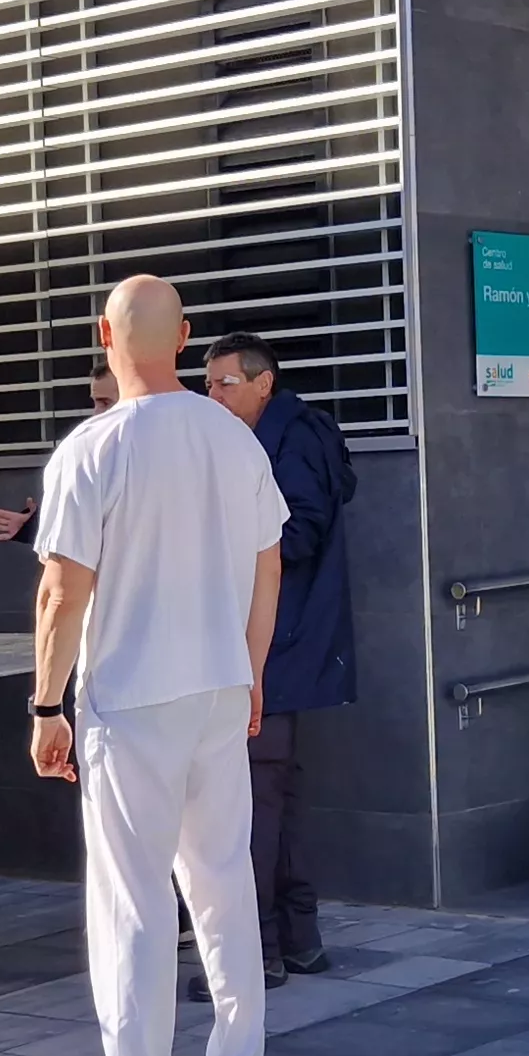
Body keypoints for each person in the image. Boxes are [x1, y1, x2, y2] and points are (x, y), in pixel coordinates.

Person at [27, 276, 287, 1056]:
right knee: (223, 879)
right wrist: (250, 676)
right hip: (219, 688)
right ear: (181, 340)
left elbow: (62, 592)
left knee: (132, 898)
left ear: (105, 334)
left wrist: (45, 703)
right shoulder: (233, 437)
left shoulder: (91, 449)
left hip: (132, 698)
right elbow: (269, 567)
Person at [199, 332, 350, 987]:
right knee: (274, 797)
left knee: (255, 801)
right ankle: (298, 941)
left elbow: (296, 535)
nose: (212, 395)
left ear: (264, 383)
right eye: (207, 384)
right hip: (282, 643)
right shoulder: (274, 437)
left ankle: (253, 953)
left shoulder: (290, 441)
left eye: (224, 383)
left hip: (276, 646)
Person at [0, 356, 119, 543]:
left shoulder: (158, 449)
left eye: (105, 403)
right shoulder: (87, 451)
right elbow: (83, 521)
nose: (96, 413)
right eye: (95, 402)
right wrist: (35, 525)